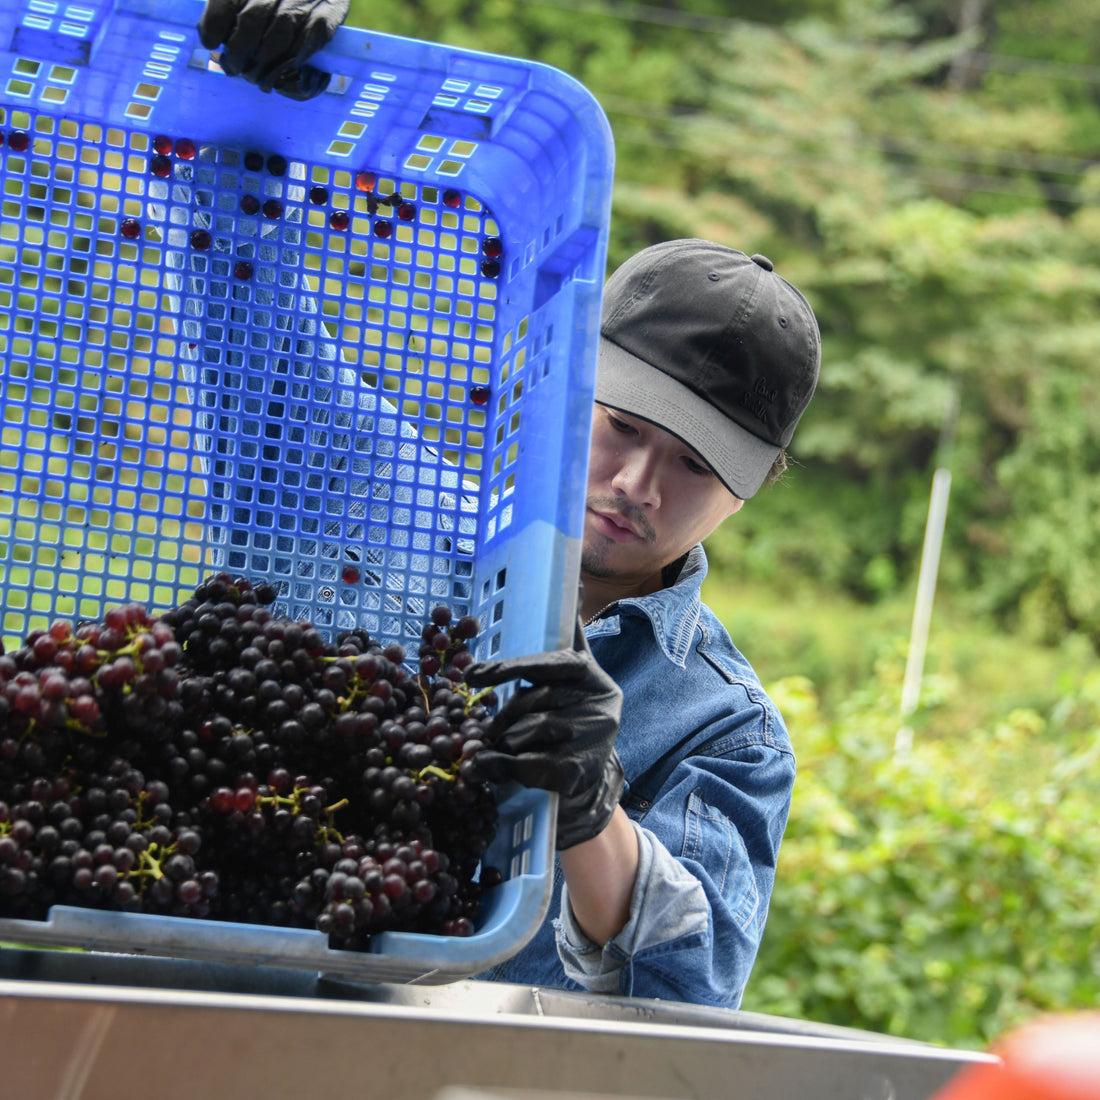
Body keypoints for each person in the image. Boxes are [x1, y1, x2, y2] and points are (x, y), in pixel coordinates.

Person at [196, 2, 823, 1008]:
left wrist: (588, 807)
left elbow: (687, 990)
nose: (636, 484)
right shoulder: (360, 477)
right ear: (561, 378)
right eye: (622, 425)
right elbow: (243, 287)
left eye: (693, 464)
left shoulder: (719, 726)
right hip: (210, 999)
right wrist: (252, 94)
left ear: (752, 489)